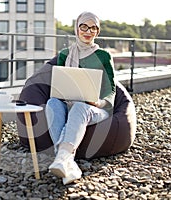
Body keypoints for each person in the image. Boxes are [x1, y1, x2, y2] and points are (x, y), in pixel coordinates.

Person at [45, 11, 116, 185]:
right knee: (52, 102)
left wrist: (98, 102)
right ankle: (68, 164)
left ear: (97, 32)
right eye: (84, 26)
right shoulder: (64, 54)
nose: (88, 31)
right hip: (67, 103)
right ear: (77, 28)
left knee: (79, 107)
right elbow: (60, 84)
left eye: (93, 28)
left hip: (95, 109)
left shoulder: (103, 56)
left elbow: (112, 89)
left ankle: (62, 157)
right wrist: (60, 93)